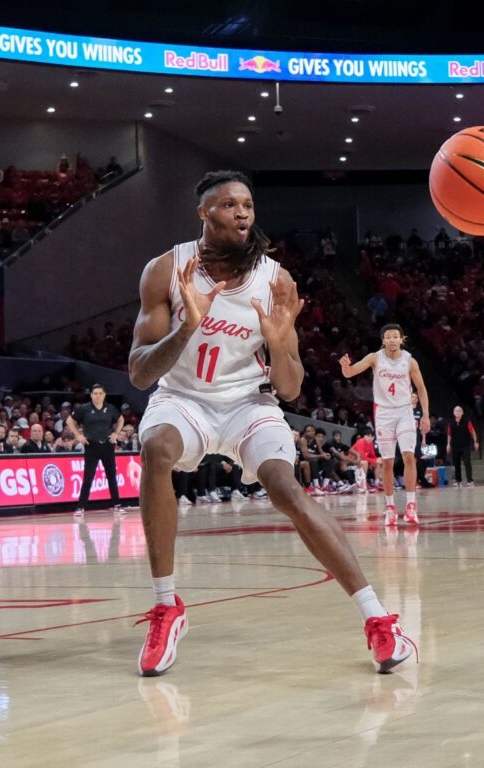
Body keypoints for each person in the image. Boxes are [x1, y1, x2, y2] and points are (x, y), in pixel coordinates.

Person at [128, 170, 414, 677]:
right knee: (156, 450)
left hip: (248, 404)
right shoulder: (164, 270)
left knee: (286, 487)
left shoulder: (276, 280)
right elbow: (140, 371)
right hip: (184, 397)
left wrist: (281, 343)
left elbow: (290, 388)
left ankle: (376, 618)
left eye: (248, 205)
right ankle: (166, 607)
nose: (242, 213)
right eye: (229, 205)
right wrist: (185, 328)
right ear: (204, 214)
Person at [341, 324, 431, 526]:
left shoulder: (410, 361)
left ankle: (411, 506)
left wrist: (425, 415)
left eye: (395, 336)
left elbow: (422, 388)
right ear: (383, 340)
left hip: (405, 411)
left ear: (401, 339)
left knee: (409, 456)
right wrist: (346, 368)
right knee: (387, 462)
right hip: (383, 413)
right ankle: (390, 507)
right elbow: (350, 373)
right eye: (388, 336)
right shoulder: (375, 358)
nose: (391, 339)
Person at [66, 384, 125, 517]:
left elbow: (121, 419)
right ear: (91, 395)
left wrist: (116, 433)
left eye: (100, 393)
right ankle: (80, 507)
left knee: (111, 476)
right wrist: (78, 435)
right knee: (88, 477)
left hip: (107, 445)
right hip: (91, 446)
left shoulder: (110, 408)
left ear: (104, 395)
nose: (97, 396)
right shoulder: (84, 408)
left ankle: (117, 505)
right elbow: (70, 421)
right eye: (95, 393)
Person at [447, 405, 479, 487]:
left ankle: (470, 480)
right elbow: (449, 434)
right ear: (453, 413)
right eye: (456, 411)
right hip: (455, 446)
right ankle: (458, 481)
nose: (457, 412)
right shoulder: (451, 423)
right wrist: (448, 444)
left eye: (459, 411)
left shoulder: (467, 421)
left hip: (465, 445)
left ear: (462, 413)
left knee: (467, 462)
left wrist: (475, 442)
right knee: (456, 463)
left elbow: (473, 432)